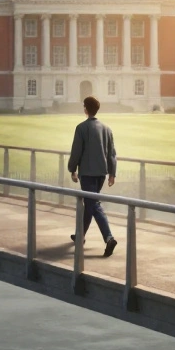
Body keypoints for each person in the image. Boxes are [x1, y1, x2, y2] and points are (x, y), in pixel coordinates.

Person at [68, 95, 118, 257]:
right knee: (90, 203)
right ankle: (80, 235)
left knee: (93, 204)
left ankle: (109, 238)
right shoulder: (107, 128)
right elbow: (112, 154)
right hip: (101, 173)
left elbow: (76, 151)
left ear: (85, 109)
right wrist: (112, 173)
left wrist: (72, 169)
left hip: (87, 173)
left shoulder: (81, 128)